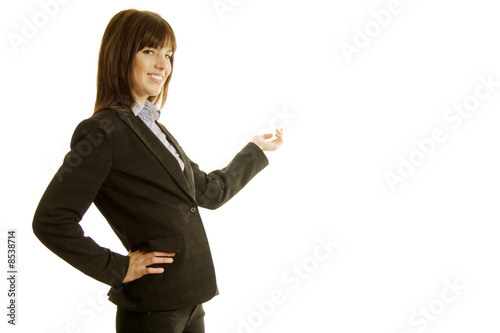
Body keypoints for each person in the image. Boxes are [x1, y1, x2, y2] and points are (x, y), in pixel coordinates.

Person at [32, 8, 283, 333]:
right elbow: (51, 220)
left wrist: (256, 150)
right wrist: (118, 267)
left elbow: (209, 191)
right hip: (152, 310)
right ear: (121, 55)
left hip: (193, 302)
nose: (163, 65)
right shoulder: (102, 132)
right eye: (149, 51)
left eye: (169, 54)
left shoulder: (155, 129)